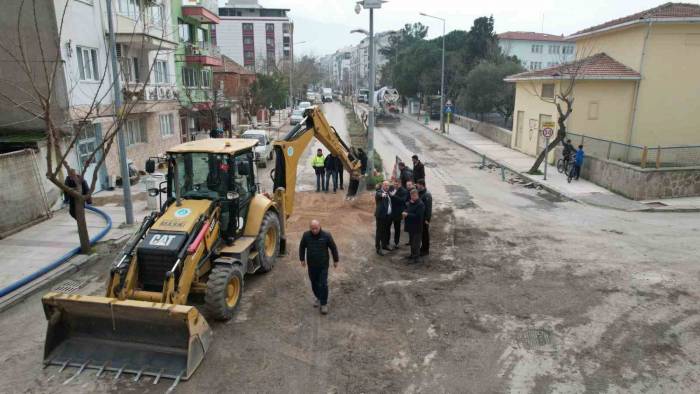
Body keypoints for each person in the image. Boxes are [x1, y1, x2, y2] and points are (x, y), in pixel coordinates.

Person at [299, 219, 339, 315]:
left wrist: (336, 260)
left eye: (316, 228)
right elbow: (302, 247)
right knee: (314, 283)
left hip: (323, 265)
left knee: (323, 284)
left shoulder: (326, 235)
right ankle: (318, 297)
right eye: (312, 229)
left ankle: (324, 304)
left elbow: (333, 248)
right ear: (310, 228)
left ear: (320, 227)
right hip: (312, 265)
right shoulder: (306, 235)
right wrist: (302, 259)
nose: (314, 230)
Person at [402, 188, 425, 264]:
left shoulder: (420, 204)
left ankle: (416, 258)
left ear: (417, 195)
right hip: (411, 227)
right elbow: (407, 209)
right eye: (411, 196)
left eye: (413, 196)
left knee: (416, 244)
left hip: (417, 227)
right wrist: (405, 212)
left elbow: (418, 216)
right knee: (412, 243)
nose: (412, 197)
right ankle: (412, 255)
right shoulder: (411, 202)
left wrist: (407, 214)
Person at [374, 180, 393, 255]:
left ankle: (384, 245)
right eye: (385, 185)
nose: (387, 187)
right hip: (381, 216)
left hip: (388, 216)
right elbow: (379, 194)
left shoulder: (388, 192)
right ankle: (378, 248)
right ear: (382, 185)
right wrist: (383, 195)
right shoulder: (379, 192)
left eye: (388, 185)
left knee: (386, 231)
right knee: (379, 232)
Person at [389, 178, 408, 249]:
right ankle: (387, 242)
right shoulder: (391, 188)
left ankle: (396, 243)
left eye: (397, 184)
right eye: (395, 183)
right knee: (387, 227)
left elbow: (403, 200)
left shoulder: (404, 191)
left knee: (397, 228)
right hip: (390, 211)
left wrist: (394, 196)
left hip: (398, 212)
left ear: (400, 184)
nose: (395, 185)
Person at [416, 179, 432, 257]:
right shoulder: (420, 193)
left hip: (424, 219)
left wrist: (427, 219)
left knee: (425, 235)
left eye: (418, 185)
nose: (416, 186)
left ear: (422, 185)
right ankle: (422, 248)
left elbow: (428, 209)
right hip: (420, 218)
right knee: (422, 234)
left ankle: (426, 250)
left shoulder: (427, 195)